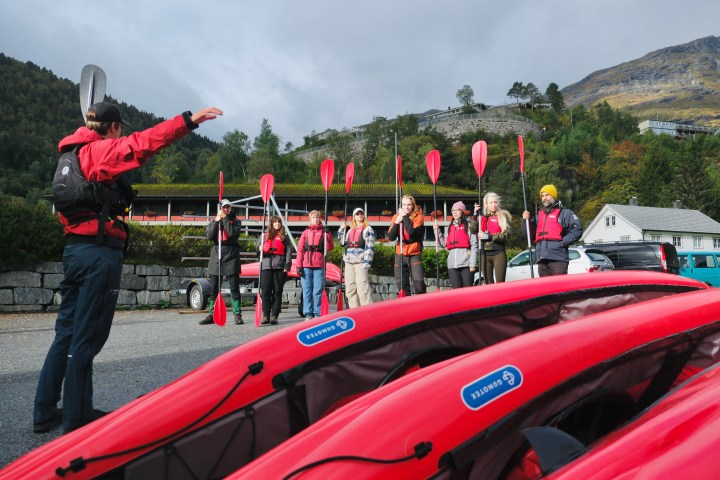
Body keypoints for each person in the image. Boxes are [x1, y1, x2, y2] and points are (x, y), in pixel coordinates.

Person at [35, 102, 222, 434]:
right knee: (86, 338)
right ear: (113, 127)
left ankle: (45, 411)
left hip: (74, 250)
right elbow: (144, 144)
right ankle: (76, 422)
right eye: (120, 128)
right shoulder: (98, 152)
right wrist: (188, 121)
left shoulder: (70, 155)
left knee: (65, 333)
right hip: (98, 254)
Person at [522, 184, 583, 277]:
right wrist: (525, 221)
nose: (544, 198)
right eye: (542, 196)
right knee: (545, 290)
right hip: (542, 259)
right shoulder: (538, 216)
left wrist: (563, 242)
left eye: (547, 195)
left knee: (560, 289)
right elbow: (529, 235)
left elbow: (577, 230)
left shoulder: (565, 213)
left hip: (558, 258)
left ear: (553, 196)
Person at [200, 198, 244, 326]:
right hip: (216, 254)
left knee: (234, 287)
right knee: (213, 288)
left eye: (228, 207)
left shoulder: (236, 222)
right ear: (220, 208)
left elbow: (231, 233)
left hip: (231, 255)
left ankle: (237, 314)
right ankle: (212, 314)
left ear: (230, 208)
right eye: (224, 207)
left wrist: (224, 219)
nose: (226, 209)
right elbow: (208, 236)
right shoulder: (215, 221)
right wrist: (217, 221)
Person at [296, 210, 334, 319]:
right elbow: (300, 250)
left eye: (317, 217)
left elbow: (330, 247)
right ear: (310, 219)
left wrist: (328, 234)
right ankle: (308, 313)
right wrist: (299, 265)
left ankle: (317, 313)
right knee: (307, 290)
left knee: (317, 290)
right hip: (306, 265)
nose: (316, 219)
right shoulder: (305, 233)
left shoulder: (324, 232)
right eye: (313, 217)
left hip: (319, 265)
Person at [387, 194, 426, 296]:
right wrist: (397, 222)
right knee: (401, 284)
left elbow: (411, 233)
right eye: (404, 205)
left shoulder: (419, 217)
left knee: (418, 282)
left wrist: (404, 217)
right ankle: (406, 304)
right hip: (400, 253)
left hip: (414, 252)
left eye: (409, 204)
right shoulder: (396, 217)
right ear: (401, 206)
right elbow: (390, 236)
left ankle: (422, 304)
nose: (406, 207)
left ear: (413, 205)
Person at [434, 201, 477, 288]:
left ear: (462, 212)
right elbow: (443, 244)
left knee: (467, 290)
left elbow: (474, 245)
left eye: (457, 210)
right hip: (452, 265)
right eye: (453, 210)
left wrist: (472, 264)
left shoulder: (468, 226)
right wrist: (437, 231)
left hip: (466, 264)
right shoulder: (450, 228)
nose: (455, 212)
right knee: (456, 291)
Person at [338, 207, 376, 307]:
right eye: (357, 214)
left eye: (361, 214)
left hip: (361, 262)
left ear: (364, 215)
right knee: (350, 289)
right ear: (354, 217)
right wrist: (342, 228)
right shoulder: (350, 231)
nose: (359, 215)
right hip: (349, 262)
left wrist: (367, 263)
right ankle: (354, 311)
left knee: (362, 288)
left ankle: (368, 311)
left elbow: (370, 246)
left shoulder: (368, 229)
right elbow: (342, 243)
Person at [258, 215, 293, 325]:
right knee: (266, 292)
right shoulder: (264, 236)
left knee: (277, 292)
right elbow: (258, 250)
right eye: (275, 222)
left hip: (279, 267)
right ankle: (266, 315)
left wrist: (287, 266)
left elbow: (288, 252)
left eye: (279, 222)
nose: (277, 224)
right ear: (272, 224)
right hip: (266, 267)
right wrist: (259, 249)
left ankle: (274, 315)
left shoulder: (284, 237)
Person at [474, 192, 512, 283]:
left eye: (495, 202)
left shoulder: (503, 216)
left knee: (500, 283)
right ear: (486, 205)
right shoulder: (482, 218)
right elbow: (472, 230)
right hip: (484, 254)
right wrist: (475, 214)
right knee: (488, 284)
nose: (494, 205)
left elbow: (506, 236)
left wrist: (489, 236)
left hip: (498, 253)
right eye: (491, 203)